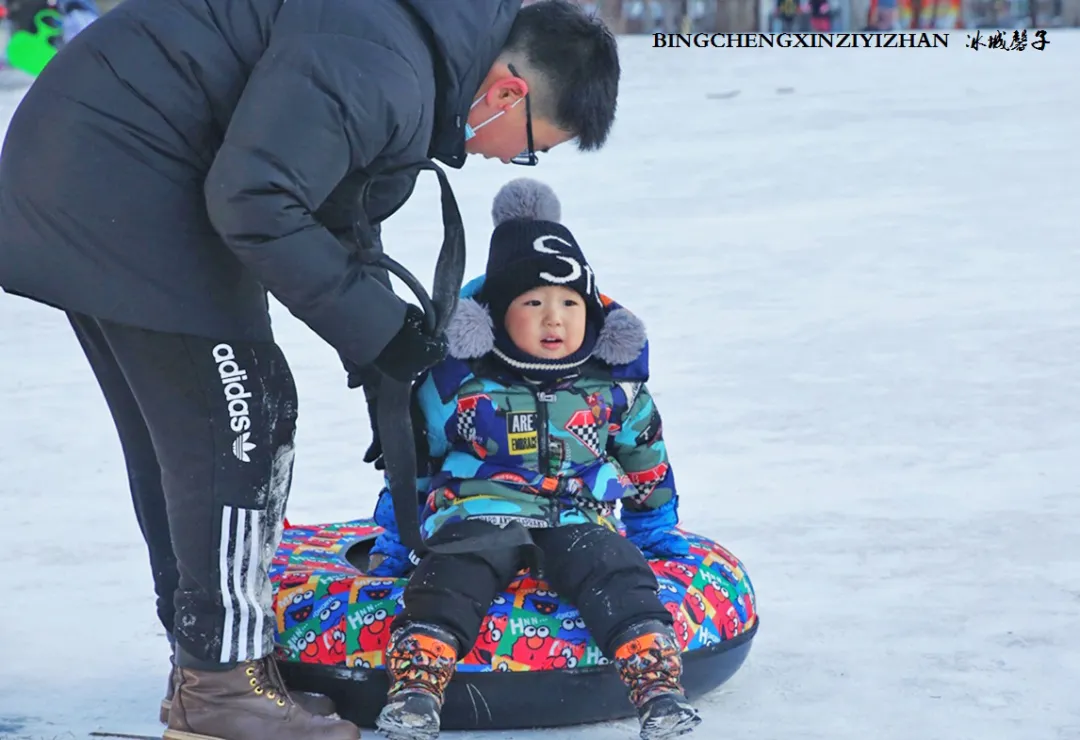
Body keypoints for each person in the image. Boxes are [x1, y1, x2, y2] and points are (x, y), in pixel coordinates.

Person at [0, 0, 620, 738]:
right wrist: (377, 330)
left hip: (99, 171)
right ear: (507, 93)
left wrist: (383, 354)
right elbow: (257, 200)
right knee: (240, 421)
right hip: (124, 175)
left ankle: (207, 669)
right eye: (526, 150)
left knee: (189, 427)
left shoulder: (406, 52)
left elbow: (336, 209)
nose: (503, 161)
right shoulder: (385, 66)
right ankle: (223, 689)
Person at [369, 178, 701, 740]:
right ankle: (418, 690)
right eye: (534, 303)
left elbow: (644, 453)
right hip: (479, 510)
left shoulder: (611, 384)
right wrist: (397, 534)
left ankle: (657, 687)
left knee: (615, 569)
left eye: (570, 303)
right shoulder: (456, 384)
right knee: (451, 573)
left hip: (576, 514)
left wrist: (653, 525)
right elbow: (414, 458)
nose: (555, 319)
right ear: (497, 315)